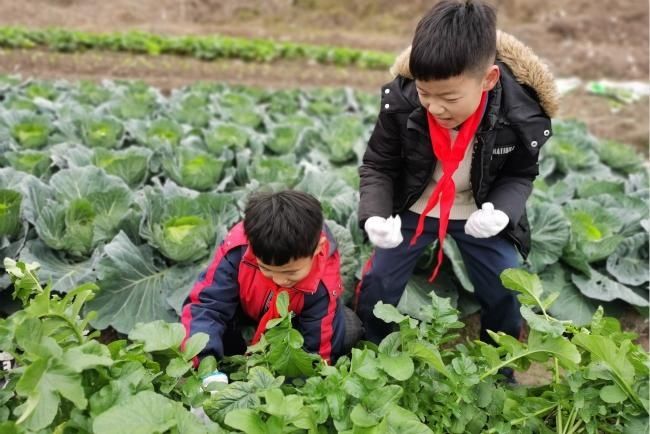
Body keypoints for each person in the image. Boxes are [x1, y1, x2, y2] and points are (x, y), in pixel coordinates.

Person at [355, 0, 558, 349]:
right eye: (424, 92)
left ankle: (498, 361)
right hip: (415, 203)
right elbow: (379, 164)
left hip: (478, 210)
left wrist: (500, 211)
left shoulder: (522, 116)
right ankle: (369, 350)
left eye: (448, 96)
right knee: (379, 281)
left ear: (488, 80)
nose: (434, 106)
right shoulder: (401, 102)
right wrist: (374, 214)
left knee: (506, 284)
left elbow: (521, 174)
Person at [182, 190, 362, 385]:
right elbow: (208, 305)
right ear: (251, 245)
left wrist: (299, 384)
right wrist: (206, 367)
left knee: (349, 328)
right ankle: (231, 353)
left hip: (289, 327)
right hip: (242, 314)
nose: (279, 279)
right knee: (201, 328)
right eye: (266, 269)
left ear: (318, 248)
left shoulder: (322, 282)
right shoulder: (238, 249)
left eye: (290, 273)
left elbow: (317, 346)